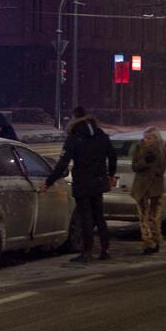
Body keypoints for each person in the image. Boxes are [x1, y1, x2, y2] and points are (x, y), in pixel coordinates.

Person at [41, 106, 117, 263]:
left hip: (83, 182)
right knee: (99, 216)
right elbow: (112, 155)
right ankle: (105, 249)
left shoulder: (74, 137)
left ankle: (87, 251)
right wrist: (110, 174)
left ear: (74, 118)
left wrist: (49, 182)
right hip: (99, 181)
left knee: (86, 218)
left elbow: (63, 163)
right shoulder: (100, 134)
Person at [131, 126, 166, 255]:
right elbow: (134, 166)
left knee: (154, 216)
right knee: (143, 216)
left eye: (149, 138)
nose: (146, 140)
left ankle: (156, 239)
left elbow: (162, 169)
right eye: (145, 137)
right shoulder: (139, 148)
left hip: (155, 187)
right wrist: (144, 161)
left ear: (156, 138)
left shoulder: (161, 149)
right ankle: (147, 242)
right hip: (141, 187)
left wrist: (155, 171)